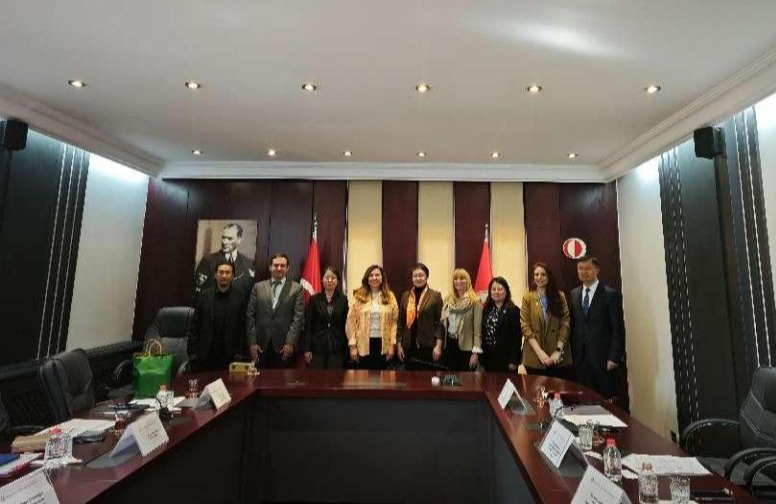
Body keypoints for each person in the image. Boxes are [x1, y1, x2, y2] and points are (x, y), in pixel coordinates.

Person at [569, 256, 625, 398]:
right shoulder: (574, 294)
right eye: (580, 269)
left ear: (597, 270)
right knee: (585, 399)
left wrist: (614, 357)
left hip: (603, 359)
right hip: (581, 360)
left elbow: (617, 328)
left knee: (604, 400)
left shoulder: (610, 295)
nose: (584, 272)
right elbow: (573, 325)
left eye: (588, 268)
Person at [188, 261, 249, 372]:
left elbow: (243, 326)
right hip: (205, 354)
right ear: (215, 275)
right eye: (221, 272)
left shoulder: (240, 297)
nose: (224, 275)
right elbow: (195, 325)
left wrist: (240, 352)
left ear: (233, 276)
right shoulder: (204, 296)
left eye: (228, 272)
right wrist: (193, 352)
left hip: (230, 355)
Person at [246, 253, 304, 369]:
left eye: (282, 265)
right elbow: (250, 316)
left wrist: (290, 342)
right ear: (270, 267)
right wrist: (252, 343)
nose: (279, 268)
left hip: (283, 346)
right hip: (260, 345)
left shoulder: (297, 288)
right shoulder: (258, 287)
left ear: (287, 268)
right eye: (276, 265)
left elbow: (298, 318)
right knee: (259, 378)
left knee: (281, 379)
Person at [520, 262, 572, 379]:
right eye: (536, 274)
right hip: (534, 356)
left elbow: (565, 324)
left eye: (543, 274)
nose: (539, 277)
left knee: (555, 389)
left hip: (556, 356)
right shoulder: (528, 298)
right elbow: (525, 326)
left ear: (549, 277)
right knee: (535, 390)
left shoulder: (560, 296)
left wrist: (558, 351)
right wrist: (540, 353)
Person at [345, 265, 398, 370]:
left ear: (382, 278)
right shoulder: (358, 296)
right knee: (363, 376)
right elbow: (351, 322)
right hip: (363, 344)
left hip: (383, 343)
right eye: (371, 275)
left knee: (382, 376)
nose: (374, 278)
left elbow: (394, 323)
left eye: (377, 275)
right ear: (367, 278)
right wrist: (352, 346)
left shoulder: (390, 296)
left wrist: (392, 345)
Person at [396, 263, 444, 370]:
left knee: (426, 378)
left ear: (427, 277)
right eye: (415, 276)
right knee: (409, 377)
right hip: (408, 346)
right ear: (412, 278)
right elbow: (400, 323)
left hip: (428, 346)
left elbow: (440, 323)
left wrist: (438, 346)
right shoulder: (405, 296)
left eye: (421, 275)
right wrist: (398, 345)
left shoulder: (435, 296)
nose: (418, 278)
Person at [304, 267, 349, 369]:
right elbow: (308, 325)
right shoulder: (314, 299)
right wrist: (307, 349)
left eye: (333, 278)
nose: (329, 280)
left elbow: (346, 324)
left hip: (337, 347)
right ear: (322, 280)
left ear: (338, 281)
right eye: (326, 277)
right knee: (317, 377)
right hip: (317, 347)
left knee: (335, 377)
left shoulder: (343, 300)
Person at [194, 223, 255, 297]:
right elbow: (198, 291)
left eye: (229, 238)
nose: (224, 242)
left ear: (239, 240)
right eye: (223, 237)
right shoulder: (208, 261)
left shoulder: (249, 264)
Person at [440, 268, 483, 372]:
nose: (458, 281)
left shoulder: (475, 301)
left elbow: (478, 330)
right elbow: (443, 324)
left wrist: (475, 353)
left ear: (467, 281)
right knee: (450, 378)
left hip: (466, 348)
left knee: (466, 379)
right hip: (449, 345)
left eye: (462, 278)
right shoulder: (448, 300)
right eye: (455, 279)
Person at [480, 277, 521, 372]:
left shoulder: (513, 310)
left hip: (506, 360)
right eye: (493, 289)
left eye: (500, 289)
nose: (496, 292)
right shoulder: (486, 310)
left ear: (506, 291)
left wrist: (514, 360)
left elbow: (517, 337)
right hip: (488, 358)